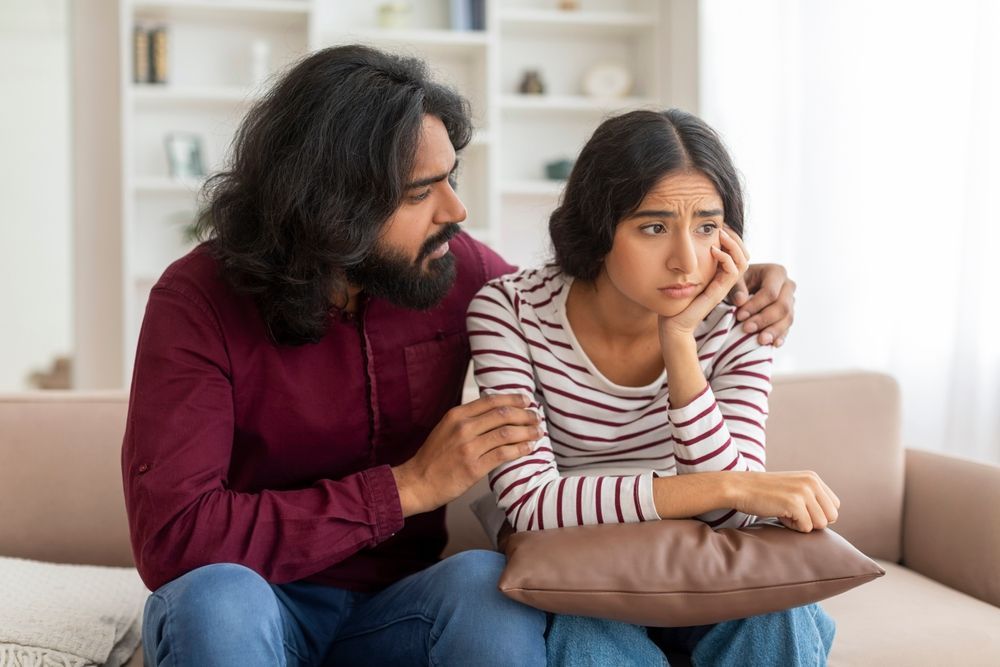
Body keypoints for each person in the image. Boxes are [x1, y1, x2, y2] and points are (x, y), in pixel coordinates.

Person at [121, 45, 798, 666]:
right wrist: (406, 487)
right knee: (216, 599)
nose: (458, 208)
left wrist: (730, 272)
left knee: (484, 585)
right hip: (259, 602)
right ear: (330, 208)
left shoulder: (459, 273)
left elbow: (583, 288)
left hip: (400, 609)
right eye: (421, 193)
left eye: (450, 177)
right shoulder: (196, 301)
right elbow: (175, 535)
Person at [467, 108, 838, 665]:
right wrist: (729, 486)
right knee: (584, 635)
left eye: (707, 227)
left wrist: (681, 341)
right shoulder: (510, 311)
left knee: (777, 614)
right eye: (654, 227)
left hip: (707, 568)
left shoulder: (744, 320)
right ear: (598, 227)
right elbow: (530, 504)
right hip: (584, 574)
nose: (686, 261)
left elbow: (732, 522)